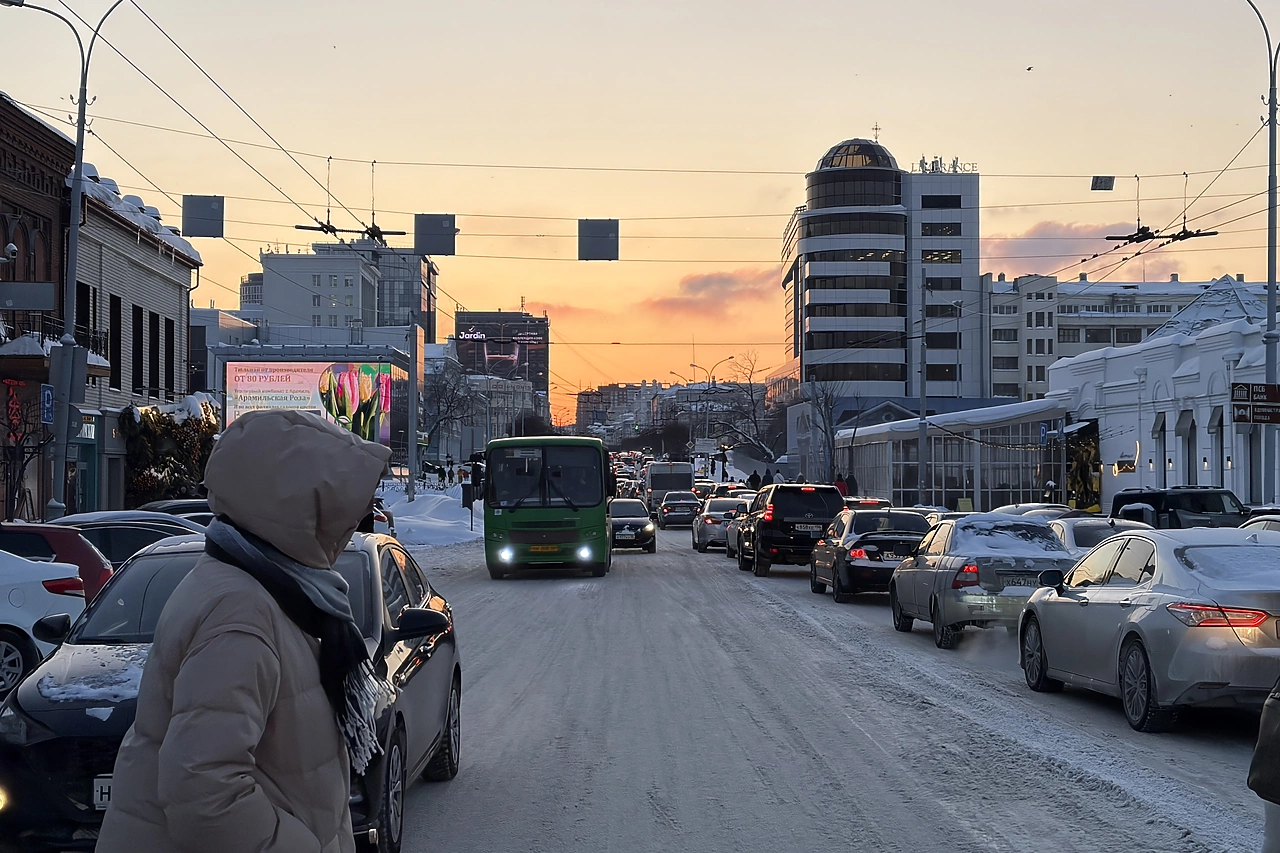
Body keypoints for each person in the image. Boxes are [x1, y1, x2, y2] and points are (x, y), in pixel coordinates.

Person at [97, 409, 393, 853]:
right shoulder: (241, 612)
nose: (356, 524)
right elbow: (206, 792)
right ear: (297, 508)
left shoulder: (276, 590)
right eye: (345, 512)